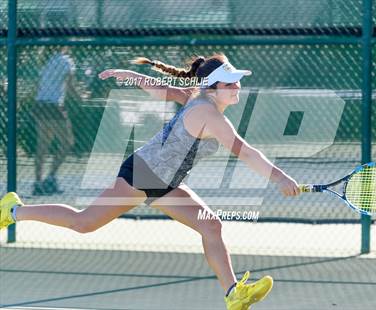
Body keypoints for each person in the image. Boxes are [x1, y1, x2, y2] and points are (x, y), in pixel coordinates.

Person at [0, 53, 300, 309]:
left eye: (237, 80)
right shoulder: (210, 114)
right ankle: (13, 210)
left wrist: (131, 75)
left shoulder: (201, 99)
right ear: (212, 86)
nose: (237, 87)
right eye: (230, 82)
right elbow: (246, 153)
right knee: (84, 223)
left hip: (167, 182)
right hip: (142, 173)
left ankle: (233, 295)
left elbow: (162, 89)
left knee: (211, 225)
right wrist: (281, 177)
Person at [32, 46, 76, 195]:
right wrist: (81, 97)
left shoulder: (45, 59)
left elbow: (38, 85)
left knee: (42, 145)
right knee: (67, 143)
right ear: (63, 46)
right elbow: (70, 87)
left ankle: (38, 183)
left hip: (40, 105)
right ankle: (50, 178)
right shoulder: (66, 61)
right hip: (54, 106)